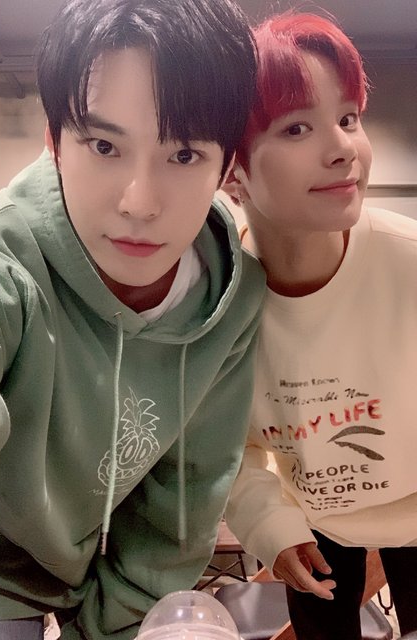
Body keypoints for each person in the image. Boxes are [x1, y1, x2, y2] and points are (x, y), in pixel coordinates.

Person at [0, 1, 267, 638]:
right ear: (54, 142)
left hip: (111, 578)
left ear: (227, 166)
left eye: (184, 155)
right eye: (104, 145)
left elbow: (185, 493)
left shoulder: (229, 298)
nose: (139, 203)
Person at [223, 10, 417, 640]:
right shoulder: (215, 304)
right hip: (313, 521)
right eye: (297, 127)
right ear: (231, 171)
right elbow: (224, 444)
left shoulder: (408, 263)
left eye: (349, 119)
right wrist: (268, 524)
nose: (342, 149)